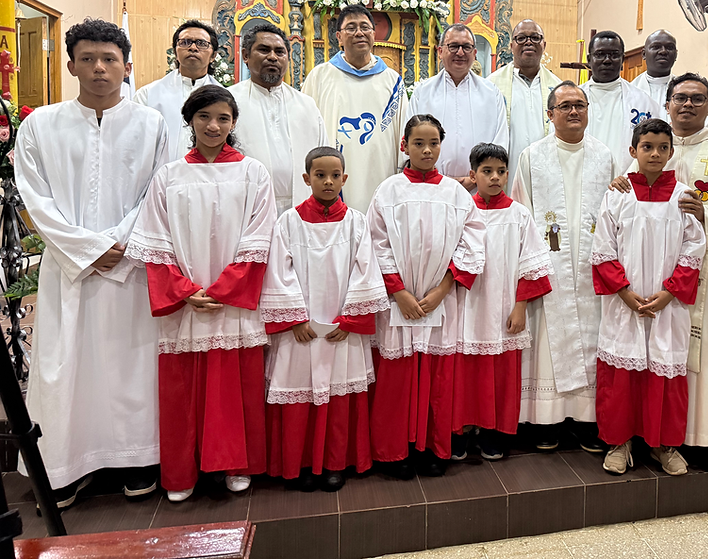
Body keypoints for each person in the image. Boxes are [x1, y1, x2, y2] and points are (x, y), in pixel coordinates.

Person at [14, 18, 169, 507]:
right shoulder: (41, 125)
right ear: (71, 64)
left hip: (130, 265)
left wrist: (120, 242)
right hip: (70, 269)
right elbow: (34, 198)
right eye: (88, 59)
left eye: (109, 59)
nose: (99, 69)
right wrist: (87, 248)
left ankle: (137, 459)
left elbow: (158, 191)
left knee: (131, 362)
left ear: (127, 66)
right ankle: (63, 467)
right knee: (65, 365)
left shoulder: (152, 125)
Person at [127, 85, 276, 502]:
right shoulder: (169, 175)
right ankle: (182, 472)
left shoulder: (253, 172)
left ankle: (237, 464)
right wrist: (186, 290)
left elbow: (259, 237)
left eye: (223, 118)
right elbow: (154, 241)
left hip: (234, 304)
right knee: (183, 391)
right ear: (190, 121)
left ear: (233, 123)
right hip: (187, 303)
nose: (214, 126)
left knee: (236, 386)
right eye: (205, 117)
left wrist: (225, 288)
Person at [614, 73, 708, 471]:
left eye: (698, 99)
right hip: (654, 279)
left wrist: (707, 214)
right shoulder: (651, 146)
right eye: (680, 98)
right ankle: (656, 435)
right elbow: (624, 204)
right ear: (667, 104)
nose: (688, 105)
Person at [262, 147, 388, 492]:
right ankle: (302, 463)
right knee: (300, 394)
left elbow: (367, 272)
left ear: (345, 179)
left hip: (341, 330)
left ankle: (334, 462)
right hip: (300, 332)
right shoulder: (288, 221)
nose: (328, 181)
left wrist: (349, 319)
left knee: (338, 395)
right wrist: (295, 320)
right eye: (320, 175)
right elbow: (278, 272)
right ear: (307, 179)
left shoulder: (356, 221)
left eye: (335, 175)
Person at [367, 115, 486, 477]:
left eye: (433, 142)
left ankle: (433, 447)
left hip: (439, 298)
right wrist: (399, 291)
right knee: (398, 379)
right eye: (418, 143)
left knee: (437, 379)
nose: (427, 150)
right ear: (404, 145)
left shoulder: (455, 193)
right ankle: (395, 451)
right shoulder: (388, 190)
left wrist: (442, 289)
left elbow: (472, 243)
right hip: (397, 300)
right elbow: (376, 243)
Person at [592, 118, 705, 476]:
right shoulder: (617, 194)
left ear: (672, 152)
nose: (655, 154)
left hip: (665, 305)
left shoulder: (684, 196)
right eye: (647, 147)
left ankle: (663, 444)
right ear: (633, 151)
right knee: (621, 377)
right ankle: (618, 442)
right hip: (624, 303)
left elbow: (694, 249)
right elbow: (602, 250)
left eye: (662, 148)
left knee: (665, 373)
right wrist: (624, 293)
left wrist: (669, 293)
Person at [511, 81, 616, 451]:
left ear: (589, 110)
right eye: (565, 105)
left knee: (592, 334)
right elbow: (520, 215)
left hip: (591, 266)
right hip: (548, 264)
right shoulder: (531, 156)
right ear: (550, 114)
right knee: (546, 343)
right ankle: (546, 420)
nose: (574, 111)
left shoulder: (605, 156)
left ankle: (588, 421)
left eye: (580, 105)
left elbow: (615, 211)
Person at [453, 143, 554, 460]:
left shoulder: (519, 215)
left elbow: (531, 263)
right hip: (466, 308)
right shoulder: (462, 211)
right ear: (473, 175)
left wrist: (521, 306)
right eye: (487, 171)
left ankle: (493, 432)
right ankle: (461, 429)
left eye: (500, 171)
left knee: (499, 375)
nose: (495, 177)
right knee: (464, 374)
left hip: (503, 308)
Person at [301, 4, 407, 213]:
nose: (359, 32)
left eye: (365, 27)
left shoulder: (392, 81)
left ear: (374, 35)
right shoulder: (320, 77)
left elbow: (403, 134)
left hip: (380, 172)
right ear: (339, 37)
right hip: (331, 178)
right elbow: (306, 129)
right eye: (351, 28)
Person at [229, 22, 328, 216]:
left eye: (280, 52)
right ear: (246, 56)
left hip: (301, 207)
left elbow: (323, 158)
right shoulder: (228, 102)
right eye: (264, 50)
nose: (272, 57)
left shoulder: (306, 105)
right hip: (245, 208)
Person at [408, 24, 508, 190]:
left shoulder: (491, 94)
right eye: (453, 46)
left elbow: (500, 141)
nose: (460, 52)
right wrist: (437, 178)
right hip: (431, 186)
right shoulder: (423, 93)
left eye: (466, 47)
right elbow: (410, 140)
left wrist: (476, 178)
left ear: (474, 53)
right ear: (440, 51)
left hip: (479, 189)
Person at [487, 20, 562, 191]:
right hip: (507, 170)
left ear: (544, 45)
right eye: (521, 38)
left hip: (547, 173)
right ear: (512, 45)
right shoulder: (491, 86)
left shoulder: (558, 88)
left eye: (535, 37)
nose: (528, 42)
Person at [134, 20, 222, 161]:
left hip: (209, 176)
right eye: (185, 42)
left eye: (201, 43)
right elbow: (136, 141)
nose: (193, 48)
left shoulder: (224, 98)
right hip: (161, 177)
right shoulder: (147, 95)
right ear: (175, 51)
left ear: (213, 56)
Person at [580, 30, 659, 174]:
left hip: (628, 184)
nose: (607, 60)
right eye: (600, 54)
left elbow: (654, 146)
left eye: (614, 55)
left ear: (622, 60)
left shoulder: (644, 103)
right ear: (589, 59)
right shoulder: (573, 100)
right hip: (582, 180)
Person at [630, 30, 675, 121]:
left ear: (676, 54)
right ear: (644, 54)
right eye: (656, 47)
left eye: (669, 47)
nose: (663, 51)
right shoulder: (630, 90)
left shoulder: (684, 90)